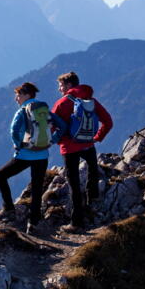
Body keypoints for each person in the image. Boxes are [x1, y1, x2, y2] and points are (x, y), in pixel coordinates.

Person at [0, 82, 66, 232]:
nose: (16, 98)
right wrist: (52, 140)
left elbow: (13, 131)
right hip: (42, 155)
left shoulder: (23, 111)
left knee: (0, 176)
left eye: (18, 95)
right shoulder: (44, 110)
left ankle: (9, 209)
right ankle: (33, 223)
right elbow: (62, 126)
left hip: (25, 155)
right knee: (37, 188)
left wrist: (18, 145)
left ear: (27, 95)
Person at [52, 72, 113, 232]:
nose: (59, 89)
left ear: (68, 85)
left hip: (69, 147)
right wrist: (96, 138)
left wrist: (55, 140)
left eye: (60, 86)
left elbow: (51, 126)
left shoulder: (61, 103)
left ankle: (76, 222)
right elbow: (108, 121)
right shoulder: (90, 101)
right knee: (93, 171)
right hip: (87, 144)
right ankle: (93, 201)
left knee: (73, 184)